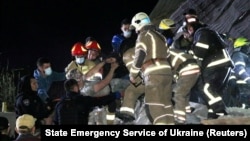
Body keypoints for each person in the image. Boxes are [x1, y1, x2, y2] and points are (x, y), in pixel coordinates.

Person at [119, 12, 175, 125]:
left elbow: (140, 55)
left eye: (135, 27)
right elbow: (169, 57)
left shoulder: (143, 35)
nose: (135, 31)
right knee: (166, 106)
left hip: (154, 73)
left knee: (155, 108)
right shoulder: (161, 36)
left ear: (140, 24)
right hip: (167, 74)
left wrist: (133, 74)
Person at [183, 15, 233, 118]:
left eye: (186, 32)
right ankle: (213, 114)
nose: (186, 36)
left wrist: (190, 51)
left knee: (206, 88)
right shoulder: (207, 32)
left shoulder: (201, 33)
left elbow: (200, 50)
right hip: (223, 64)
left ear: (190, 28)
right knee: (215, 91)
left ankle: (220, 112)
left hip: (215, 64)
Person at [166, 48, 201, 124]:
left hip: (187, 69)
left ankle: (180, 118)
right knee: (185, 93)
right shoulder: (170, 51)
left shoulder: (162, 55)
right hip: (194, 67)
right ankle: (187, 113)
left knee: (178, 94)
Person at [227, 37, 250, 108]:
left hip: (245, 87)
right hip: (242, 87)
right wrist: (248, 80)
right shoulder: (238, 55)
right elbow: (239, 69)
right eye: (248, 46)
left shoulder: (243, 56)